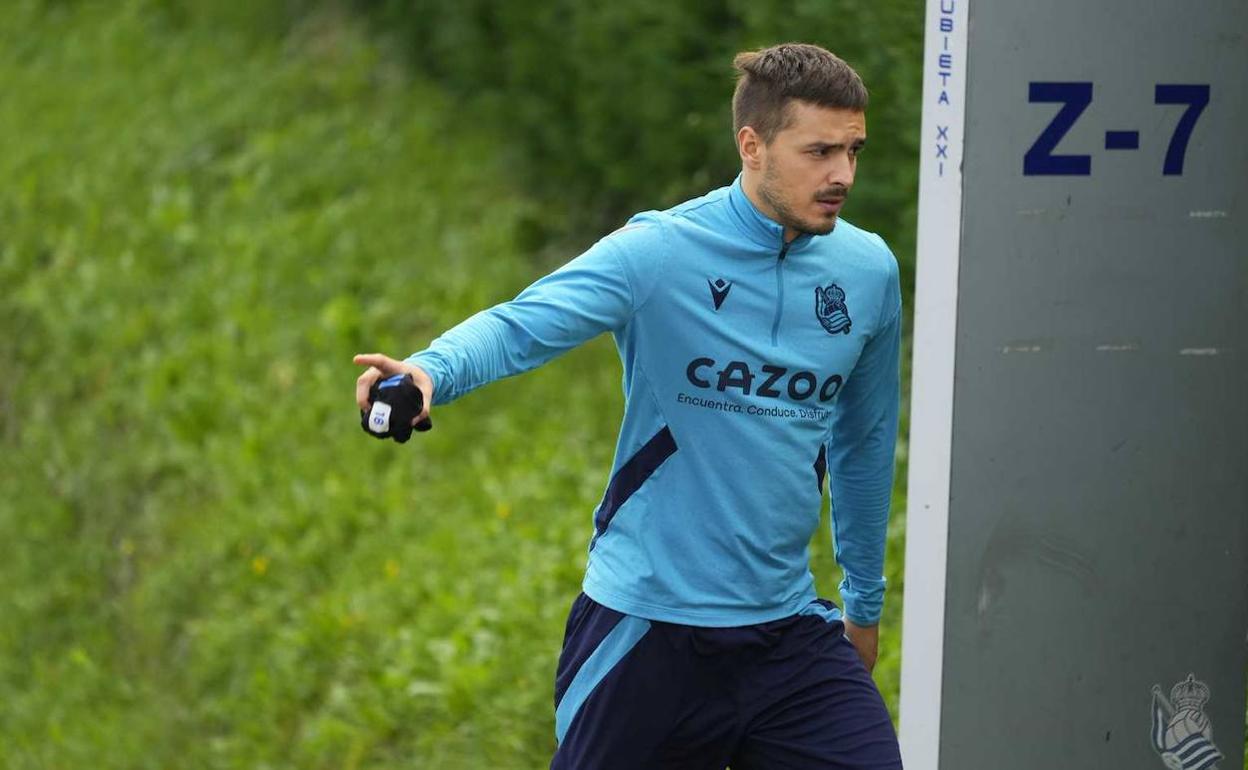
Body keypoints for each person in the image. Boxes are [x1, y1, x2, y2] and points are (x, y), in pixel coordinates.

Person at [354, 42, 903, 770]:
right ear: (752, 146)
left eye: (854, 151)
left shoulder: (867, 273)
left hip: (787, 637)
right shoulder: (659, 253)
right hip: (647, 631)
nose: (843, 175)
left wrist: (863, 604)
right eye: (821, 151)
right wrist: (427, 374)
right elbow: (521, 324)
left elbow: (863, 443)